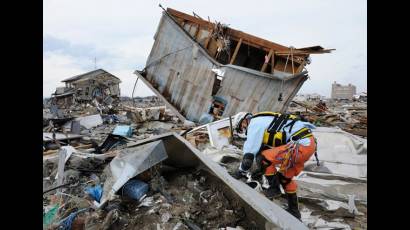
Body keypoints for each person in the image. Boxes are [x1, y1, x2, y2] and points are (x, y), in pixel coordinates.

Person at [231, 111, 318, 219]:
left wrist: (241, 172)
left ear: (244, 120)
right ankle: (294, 212)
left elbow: (249, 156)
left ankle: (274, 188)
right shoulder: (266, 121)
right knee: (285, 178)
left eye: (242, 127)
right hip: (308, 144)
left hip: (298, 146)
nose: (243, 130)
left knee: (263, 158)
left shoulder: (254, 123)